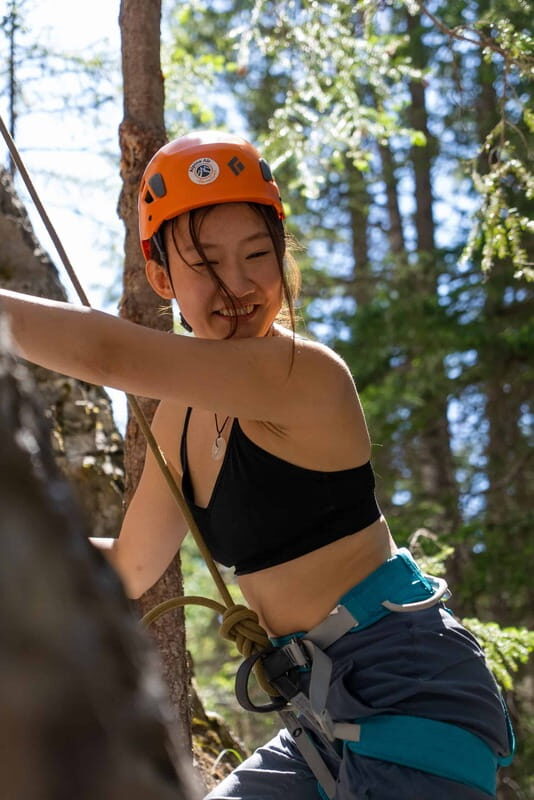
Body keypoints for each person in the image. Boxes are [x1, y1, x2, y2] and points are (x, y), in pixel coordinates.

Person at [0, 131, 513, 799]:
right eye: (206, 263)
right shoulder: (181, 419)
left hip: (407, 686)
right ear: (162, 278)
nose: (238, 286)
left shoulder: (302, 374)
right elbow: (129, 565)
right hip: (317, 709)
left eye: (256, 256)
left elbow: (108, 355)